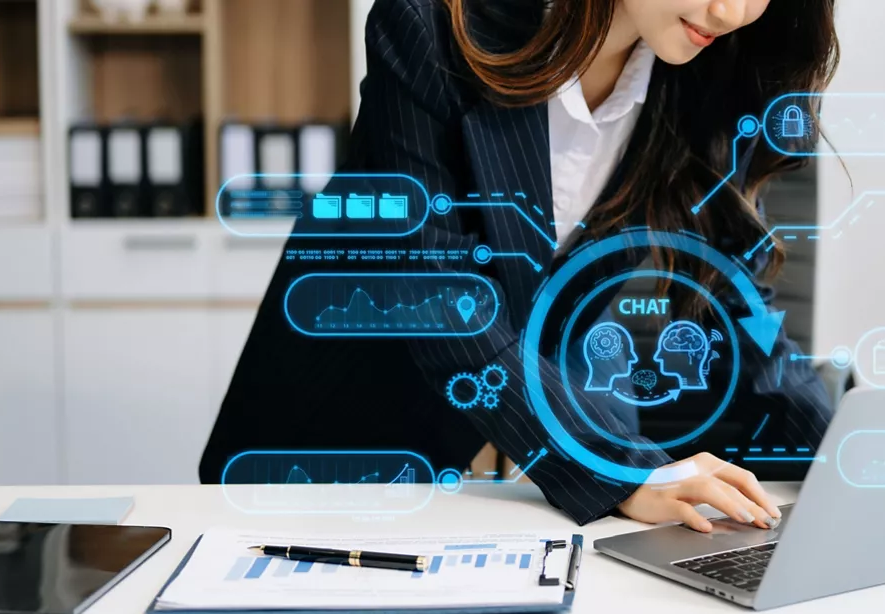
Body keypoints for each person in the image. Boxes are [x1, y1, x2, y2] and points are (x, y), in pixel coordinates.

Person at [200, 0, 839, 533]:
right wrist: (618, 466)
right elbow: (440, 300)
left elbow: (730, 298)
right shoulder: (431, 24)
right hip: (340, 444)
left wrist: (846, 457)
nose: (731, 11)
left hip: (530, 462)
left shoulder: (700, 68)